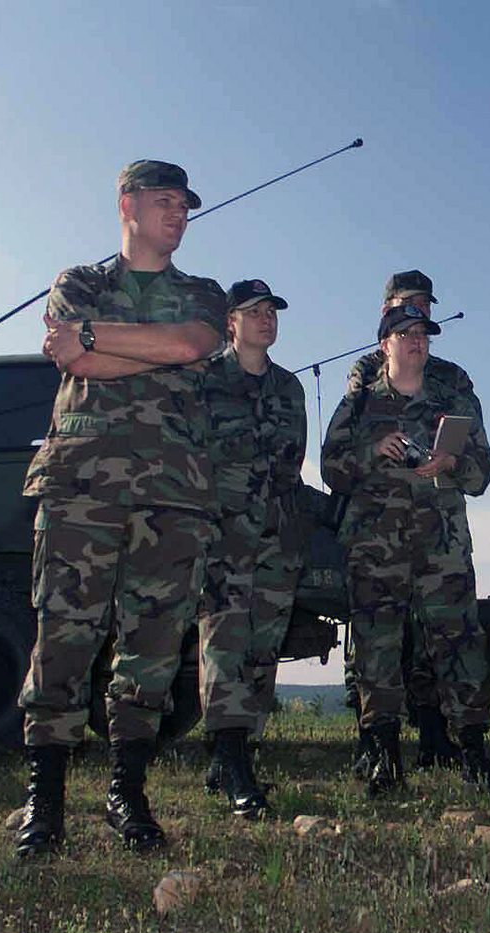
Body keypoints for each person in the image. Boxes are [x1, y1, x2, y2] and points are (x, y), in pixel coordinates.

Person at [16, 160, 226, 858]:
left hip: (174, 493)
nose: (179, 214)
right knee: (65, 639)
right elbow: (73, 362)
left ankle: (125, 793)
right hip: (83, 487)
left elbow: (194, 344)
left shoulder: (201, 292)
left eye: (185, 206)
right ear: (127, 205)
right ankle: (43, 803)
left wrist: (100, 338)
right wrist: (150, 354)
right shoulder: (80, 282)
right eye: (165, 201)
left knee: (153, 649)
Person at [322, 304, 490, 796]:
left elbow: (484, 474)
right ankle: (383, 752)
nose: (416, 340)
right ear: (384, 344)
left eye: (423, 332)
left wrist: (452, 460)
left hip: (441, 544)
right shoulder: (360, 403)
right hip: (376, 547)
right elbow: (330, 469)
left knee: (460, 643)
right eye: (404, 333)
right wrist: (371, 450)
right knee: (377, 648)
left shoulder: (454, 401)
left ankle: (473, 751)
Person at [345, 269, 474, 770]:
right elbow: (343, 453)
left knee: (436, 638)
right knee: (375, 641)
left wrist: (452, 460)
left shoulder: (451, 377)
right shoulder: (365, 373)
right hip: (379, 532)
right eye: (408, 307)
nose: (420, 315)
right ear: (386, 313)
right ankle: (372, 740)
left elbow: (476, 455)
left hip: (435, 528)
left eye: (426, 307)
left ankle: (438, 734)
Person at [196, 279, 307, 819]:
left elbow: (292, 463)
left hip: (278, 536)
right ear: (231, 322)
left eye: (272, 311)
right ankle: (232, 755)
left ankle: (238, 749)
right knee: (224, 642)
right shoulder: (205, 379)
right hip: (224, 534)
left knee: (264, 647)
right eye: (255, 311)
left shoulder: (289, 388)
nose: (267, 319)